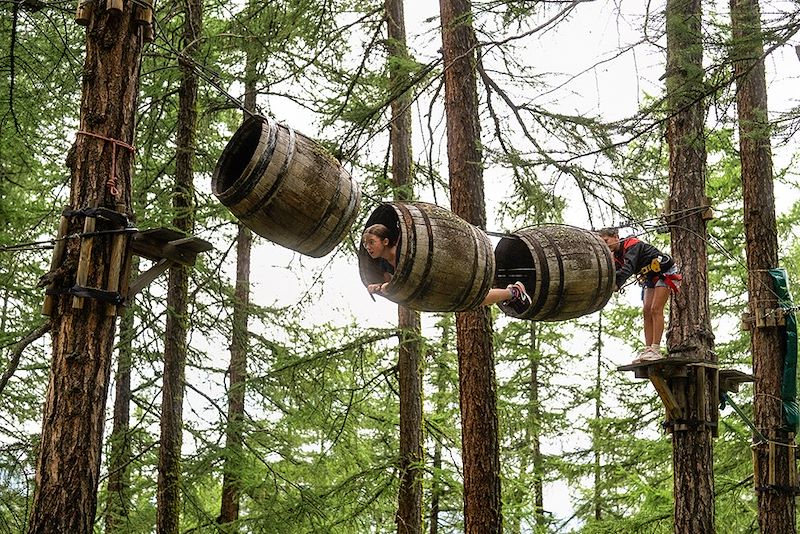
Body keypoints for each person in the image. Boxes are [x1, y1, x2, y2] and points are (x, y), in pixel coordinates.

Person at [362, 223, 530, 308]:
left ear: (385, 241)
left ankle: (513, 292)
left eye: (371, 242)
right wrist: (380, 286)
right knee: (471, 300)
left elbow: (391, 285)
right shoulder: (384, 264)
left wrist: (381, 287)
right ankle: (512, 292)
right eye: (365, 244)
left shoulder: (404, 249)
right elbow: (394, 288)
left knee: (473, 297)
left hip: (441, 267)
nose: (368, 247)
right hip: (434, 284)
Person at [597, 227, 682, 363]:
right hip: (650, 276)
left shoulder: (632, 245)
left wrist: (617, 283)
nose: (605, 245)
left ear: (616, 237)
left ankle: (655, 349)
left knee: (655, 309)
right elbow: (614, 271)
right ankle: (648, 349)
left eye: (606, 241)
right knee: (646, 310)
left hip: (665, 272)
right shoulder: (617, 256)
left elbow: (628, 268)